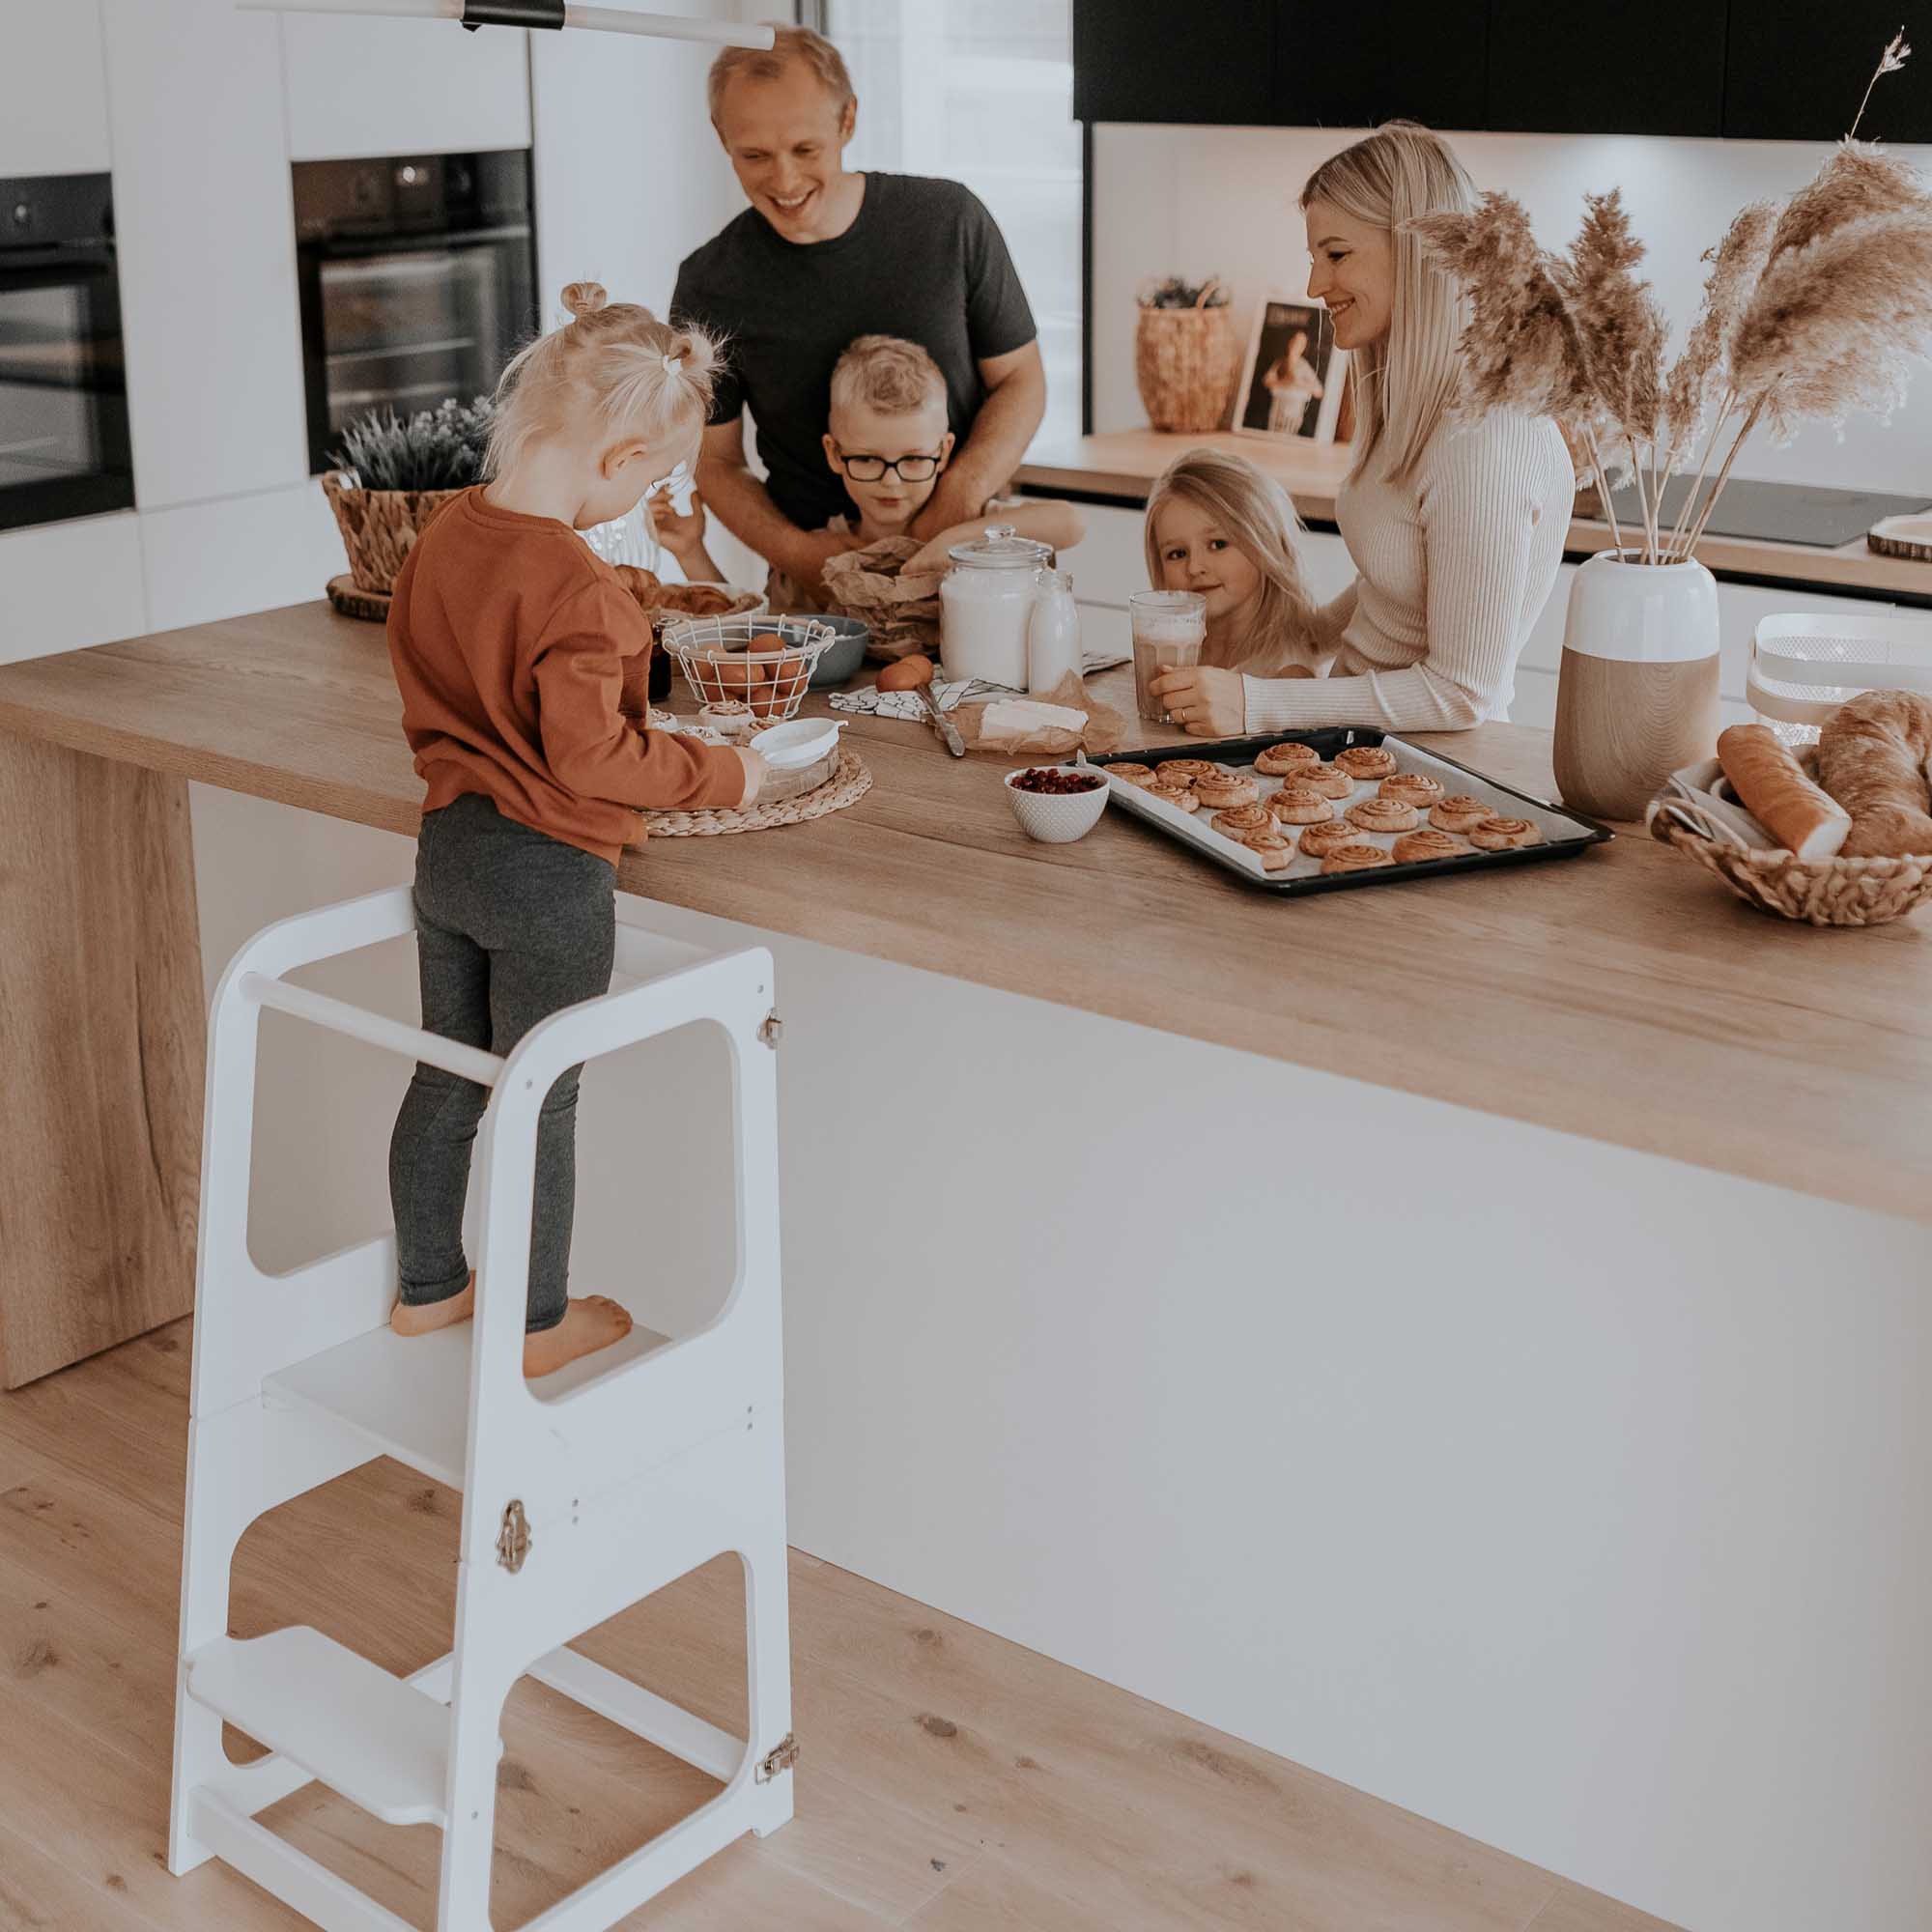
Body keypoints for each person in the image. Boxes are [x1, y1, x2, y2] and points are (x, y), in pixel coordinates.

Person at [384, 282, 762, 1379]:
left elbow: (483, 629)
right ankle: (538, 1318)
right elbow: (591, 757)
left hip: (447, 856)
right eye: (649, 480)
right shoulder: (581, 592)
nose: (639, 498)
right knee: (542, 1095)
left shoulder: (444, 533)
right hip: (547, 877)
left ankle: (427, 1289)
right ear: (618, 457)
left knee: (448, 1072)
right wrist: (722, 771)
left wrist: (606, 586)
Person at [1152, 122, 1573, 738]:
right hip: (1357, 748)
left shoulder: (1487, 438)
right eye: (1314, 257)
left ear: (1417, 249)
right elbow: (1400, 576)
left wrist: (1259, 704)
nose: (1315, 286)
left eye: (1337, 255)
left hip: (1431, 774)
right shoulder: (1410, 402)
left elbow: (1463, 695)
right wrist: (1304, 634)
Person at [669, 24, 1046, 596]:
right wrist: (799, 555)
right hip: (813, 592)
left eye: (805, 149)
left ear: (847, 121)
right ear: (722, 136)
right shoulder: (709, 283)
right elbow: (716, 461)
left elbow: (1022, 381)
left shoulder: (949, 221)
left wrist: (953, 504)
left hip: (973, 568)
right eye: (755, 156)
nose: (785, 180)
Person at [649, 334, 1082, 595]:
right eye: (868, 460)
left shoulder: (984, 535)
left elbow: (1069, 523)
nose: (891, 482)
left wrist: (948, 541)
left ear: (945, 452)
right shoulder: (819, 559)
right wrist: (691, 551)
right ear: (835, 454)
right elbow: (746, 638)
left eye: (914, 460)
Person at [1143, 447, 1317, 672]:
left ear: (1264, 542)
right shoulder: (1168, 649)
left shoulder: (1287, 672)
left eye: (1217, 545)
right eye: (1177, 554)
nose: (1195, 567)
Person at [1262, 328, 1323, 435]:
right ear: (1290, 342)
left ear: (1304, 347)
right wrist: (1284, 382)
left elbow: (1319, 391)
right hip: (1278, 410)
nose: (1296, 345)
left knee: (1289, 433)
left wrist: (1298, 384)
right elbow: (1267, 381)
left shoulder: (1304, 366)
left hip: (1294, 412)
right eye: (1295, 341)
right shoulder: (1280, 362)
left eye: (1301, 343)